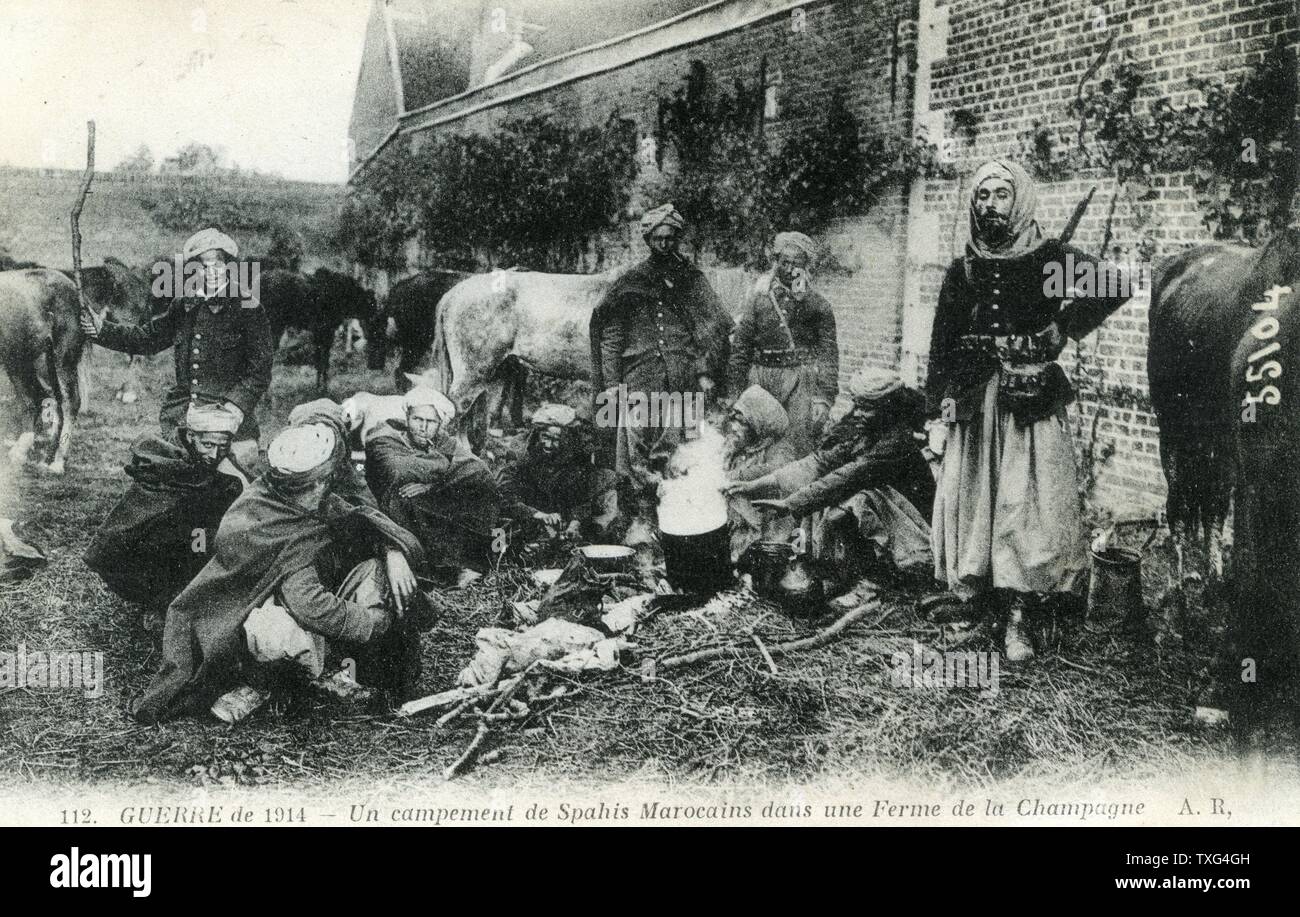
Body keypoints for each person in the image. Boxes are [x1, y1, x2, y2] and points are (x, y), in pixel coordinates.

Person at [925, 159, 1131, 661]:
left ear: (1018, 200)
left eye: (1000, 194)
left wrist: (1061, 328)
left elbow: (1117, 284)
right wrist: (937, 405)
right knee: (976, 498)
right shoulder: (965, 267)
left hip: (1029, 400)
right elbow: (943, 341)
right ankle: (976, 598)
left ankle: (1020, 610)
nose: (990, 205)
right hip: (977, 402)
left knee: (1024, 502)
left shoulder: (1048, 258)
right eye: (983, 195)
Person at [129, 405, 429, 724]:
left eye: (324, 481)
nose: (322, 489)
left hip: (308, 611)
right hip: (251, 625)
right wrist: (370, 622)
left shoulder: (306, 499)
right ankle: (264, 682)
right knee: (272, 630)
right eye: (314, 484)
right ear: (293, 484)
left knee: (375, 570)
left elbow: (365, 518)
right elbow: (308, 602)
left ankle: (341, 669)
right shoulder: (258, 516)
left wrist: (392, 551)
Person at [727, 368, 934, 608]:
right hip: (885, 515)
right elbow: (818, 463)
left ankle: (873, 582)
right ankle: (838, 572)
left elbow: (845, 478)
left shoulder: (896, 442)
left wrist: (790, 504)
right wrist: (752, 485)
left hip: (911, 526)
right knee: (819, 492)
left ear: (888, 407)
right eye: (857, 406)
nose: (858, 413)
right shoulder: (866, 430)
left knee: (853, 502)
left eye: (866, 408)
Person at [80, 228, 273, 468]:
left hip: (229, 425)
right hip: (181, 421)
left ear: (229, 266)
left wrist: (234, 408)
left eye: (218, 264)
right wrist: (101, 329)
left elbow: (259, 371)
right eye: (203, 265)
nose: (211, 271)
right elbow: (146, 338)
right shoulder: (185, 305)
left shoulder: (248, 308)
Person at [589, 203, 733, 501]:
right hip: (640, 380)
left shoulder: (693, 280)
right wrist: (613, 386)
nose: (665, 244)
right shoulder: (630, 282)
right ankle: (637, 521)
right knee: (634, 455)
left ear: (678, 238)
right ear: (649, 241)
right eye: (659, 239)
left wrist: (705, 371)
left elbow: (713, 328)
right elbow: (611, 339)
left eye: (671, 238)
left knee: (683, 454)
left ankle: (677, 512)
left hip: (684, 379)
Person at [85, 402, 247, 632]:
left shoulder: (224, 465)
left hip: (195, 539)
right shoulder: (168, 463)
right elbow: (144, 523)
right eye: (208, 444)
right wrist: (204, 539)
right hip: (160, 545)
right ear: (191, 436)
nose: (214, 454)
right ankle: (161, 603)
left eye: (222, 447)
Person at [364, 385, 500, 585]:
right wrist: (444, 464)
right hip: (387, 511)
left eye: (431, 422)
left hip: (426, 502)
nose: (423, 427)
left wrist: (433, 485)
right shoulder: (385, 436)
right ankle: (420, 565)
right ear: (407, 417)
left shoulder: (442, 440)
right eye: (417, 419)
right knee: (405, 496)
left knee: (476, 489)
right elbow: (399, 469)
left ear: (440, 424)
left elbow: (478, 470)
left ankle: (461, 563)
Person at [728, 231, 839, 457]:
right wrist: (735, 391)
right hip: (760, 380)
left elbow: (829, 354)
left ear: (806, 266)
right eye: (784, 262)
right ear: (775, 262)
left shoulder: (818, 305)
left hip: (799, 382)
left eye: (796, 264)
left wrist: (824, 398)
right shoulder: (758, 300)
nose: (789, 269)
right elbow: (741, 348)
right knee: (755, 443)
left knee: (797, 444)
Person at [498, 403, 611, 543]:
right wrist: (535, 514)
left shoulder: (575, 458)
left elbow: (584, 496)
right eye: (545, 437)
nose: (549, 445)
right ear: (536, 434)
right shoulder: (520, 454)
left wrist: (576, 522)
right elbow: (505, 492)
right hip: (529, 512)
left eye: (556, 440)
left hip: (561, 516)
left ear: (567, 440)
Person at [722, 385, 799, 563]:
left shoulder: (780, 448)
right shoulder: (736, 443)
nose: (734, 427)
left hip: (765, 521)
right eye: (733, 418)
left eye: (742, 423)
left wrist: (735, 476)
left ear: (758, 425)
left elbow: (776, 470)